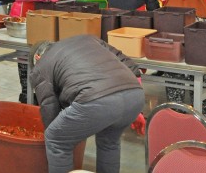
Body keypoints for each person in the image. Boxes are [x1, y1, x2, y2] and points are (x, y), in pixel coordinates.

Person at [30, 36, 145, 173]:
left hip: (98, 101)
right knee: (109, 143)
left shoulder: (42, 64)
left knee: (56, 139)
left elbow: (49, 107)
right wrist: (136, 110)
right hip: (135, 96)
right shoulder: (88, 39)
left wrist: (60, 133)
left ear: (37, 57)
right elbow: (130, 64)